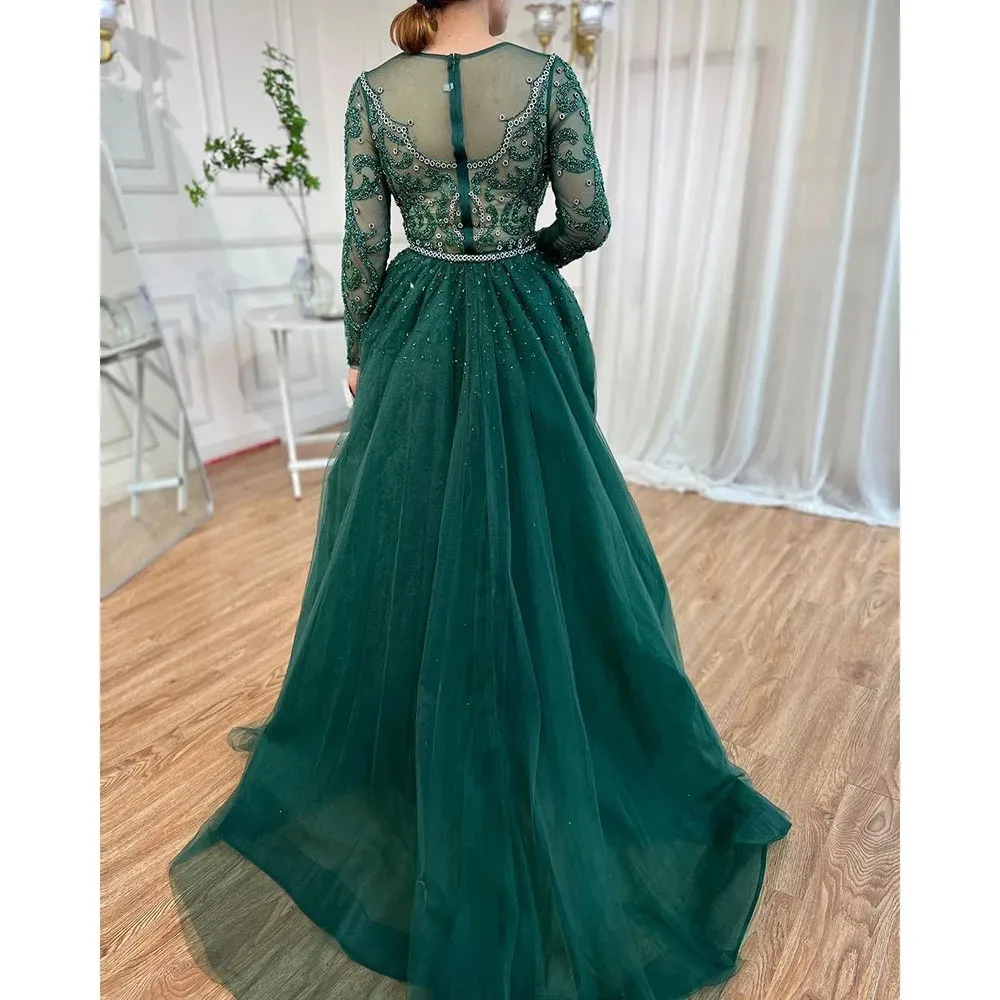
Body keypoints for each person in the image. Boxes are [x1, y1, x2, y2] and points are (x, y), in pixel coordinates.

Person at [170, 2, 791, 997]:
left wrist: (361, 351)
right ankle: (555, 742)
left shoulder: (372, 94)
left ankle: (420, 755)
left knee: (409, 540)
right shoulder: (547, 81)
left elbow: (362, 243)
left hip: (415, 327)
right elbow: (588, 219)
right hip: (521, 317)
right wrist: (528, 253)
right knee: (553, 537)